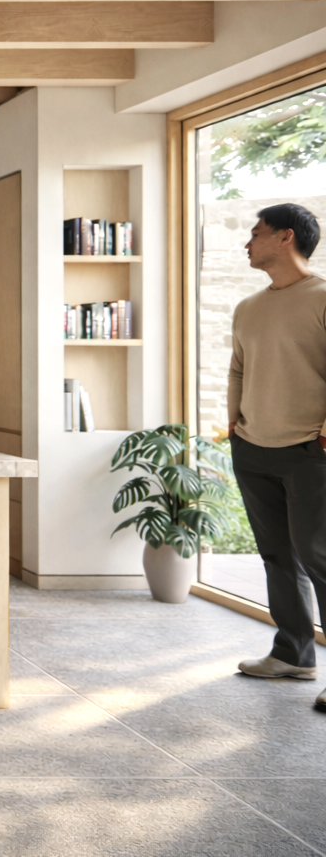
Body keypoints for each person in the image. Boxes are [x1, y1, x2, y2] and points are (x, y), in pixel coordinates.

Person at [226, 203, 326, 712]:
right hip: (254, 448)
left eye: (256, 232)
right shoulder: (248, 306)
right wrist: (234, 423)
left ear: (286, 238)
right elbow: (238, 369)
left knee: (320, 557)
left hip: (311, 451)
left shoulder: (323, 297)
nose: (247, 241)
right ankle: (293, 653)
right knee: (276, 556)